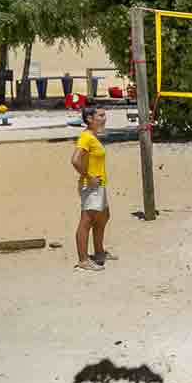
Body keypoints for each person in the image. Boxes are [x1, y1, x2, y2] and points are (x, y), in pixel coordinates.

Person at [71, 106, 114, 271]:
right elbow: (75, 160)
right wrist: (89, 177)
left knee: (104, 216)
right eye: (101, 115)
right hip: (91, 186)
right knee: (87, 220)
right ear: (89, 118)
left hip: (99, 184)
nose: (104, 118)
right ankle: (83, 260)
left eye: (105, 115)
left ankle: (99, 253)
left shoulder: (93, 136)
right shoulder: (86, 137)